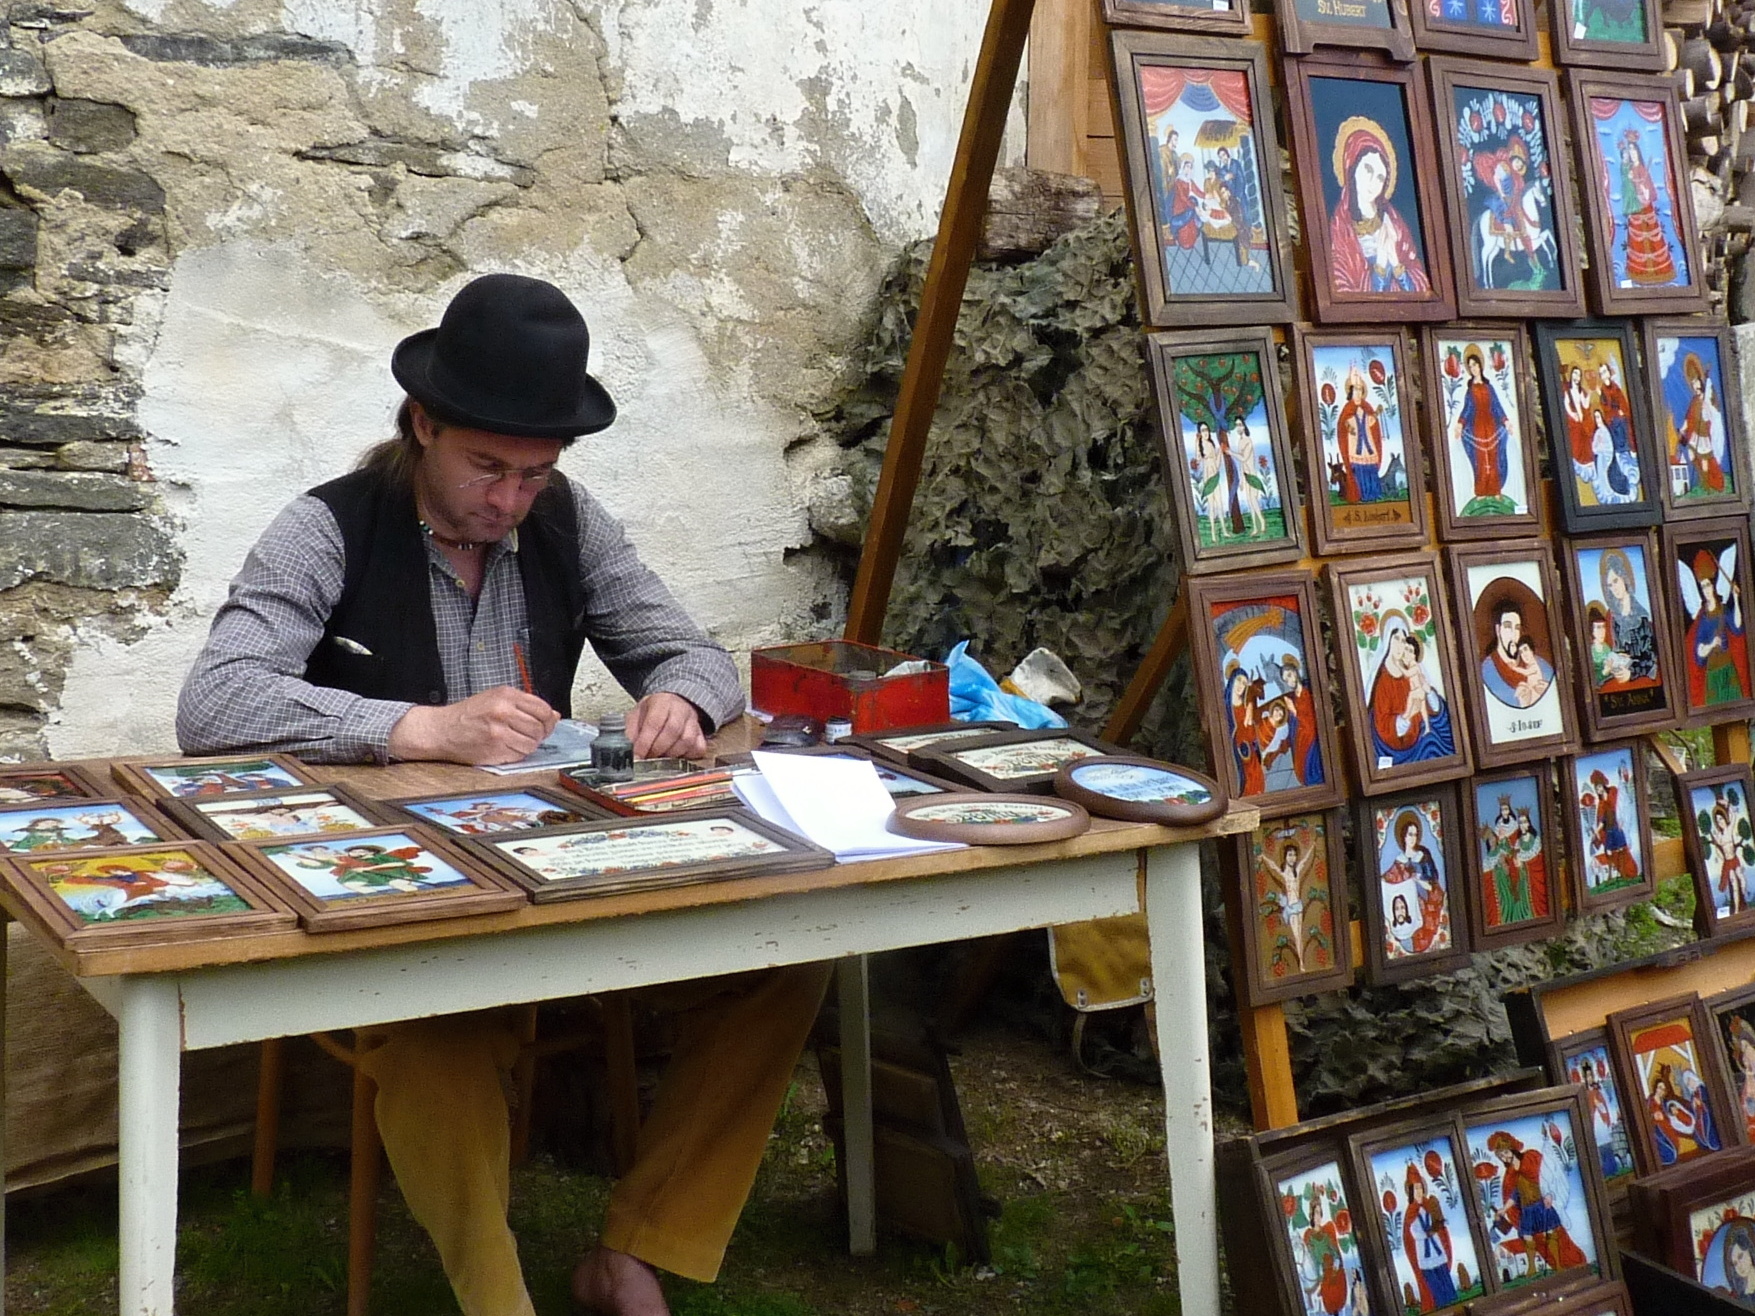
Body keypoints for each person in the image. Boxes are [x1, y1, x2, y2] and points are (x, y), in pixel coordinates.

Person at [175, 274, 833, 1316]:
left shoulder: (566, 520)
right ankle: (498, 1299)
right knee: (435, 1040)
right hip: (403, 892)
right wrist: (415, 727)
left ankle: (637, 1248)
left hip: (560, 869)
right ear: (422, 423)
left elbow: (694, 652)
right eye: (488, 466)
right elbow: (214, 702)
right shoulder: (328, 528)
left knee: (782, 965)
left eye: (536, 473)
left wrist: (680, 698)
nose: (510, 500)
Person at [1328, 117, 1431, 295]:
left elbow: (1420, 286)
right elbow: (1342, 290)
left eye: (1380, 177)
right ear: (1351, 167)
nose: (1373, 182)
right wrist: (1380, 267)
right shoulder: (1341, 228)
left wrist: (1397, 265)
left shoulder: (1394, 224)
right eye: (1368, 169)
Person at [1366, 624, 1455, 766]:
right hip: (1397, 748)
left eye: (1403, 640)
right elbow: (1382, 724)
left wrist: (1429, 693)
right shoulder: (1383, 681)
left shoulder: (1409, 671)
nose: (1400, 645)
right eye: (1396, 639)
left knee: (1434, 740)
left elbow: (1435, 709)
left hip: (1421, 737)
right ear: (1388, 641)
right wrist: (1407, 718)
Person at [1685, 549, 1749, 709]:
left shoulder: (1723, 609)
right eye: (1703, 587)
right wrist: (1711, 645)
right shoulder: (1703, 618)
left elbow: (1737, 627)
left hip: (1728, 669)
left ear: (1713, 586)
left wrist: (1735, 599)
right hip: (1713, 674)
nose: (1706, 590)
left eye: (1708, 585)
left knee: (1735, 708)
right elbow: (1699, 651)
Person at [1617, 129, 1679, 286]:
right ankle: (1639, 272)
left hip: (1646, 208)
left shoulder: (1642, 169)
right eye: (1629, 151)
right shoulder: (1629, 170)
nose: (1632, 154)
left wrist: (1645, 191)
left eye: (1633, 150)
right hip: (1636, 210)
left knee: (1652, 240)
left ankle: (1660, 271)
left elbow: (1651, 190)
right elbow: (1626, 189)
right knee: (1638, 241)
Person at [1450, 348, 1511, 504]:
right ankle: (1481, 490)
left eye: (1475, 365)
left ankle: (1496, 489)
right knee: (1481, 459)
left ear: (1480, 366)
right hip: (1477, 427)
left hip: (1491, 426)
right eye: (1470, 366)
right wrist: (1460, 424)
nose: (1473, 368)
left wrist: (1506, 421)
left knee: (1494, 457)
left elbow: (1496, 406)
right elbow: (1468, 409)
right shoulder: (1470, 390)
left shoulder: (1489, 387)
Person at [1479, 600, 1552, 710]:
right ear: (1498, 630)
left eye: (1517, 628)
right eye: (1508, 626)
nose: (1513, 634)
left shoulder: (1542, 666)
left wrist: (1547, 694)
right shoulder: (1487, 670)